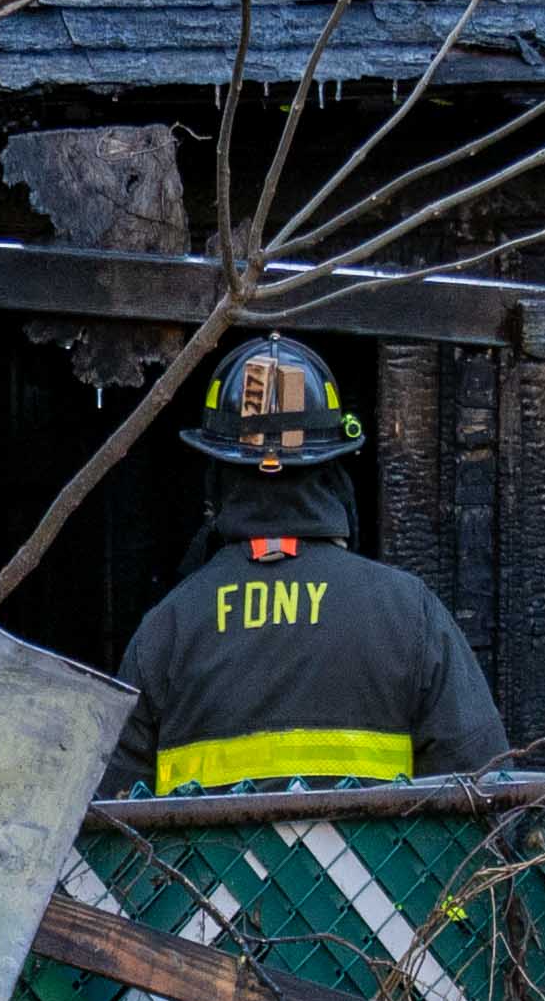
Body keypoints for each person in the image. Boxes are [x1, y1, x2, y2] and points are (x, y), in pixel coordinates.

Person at [126, 332, 507, 790]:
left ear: (216, 476)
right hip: (380, 865)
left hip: (198, 867)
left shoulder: (165, 630)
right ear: (334, 470)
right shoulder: (410, 615)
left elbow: (108, 826)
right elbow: (486, 794)